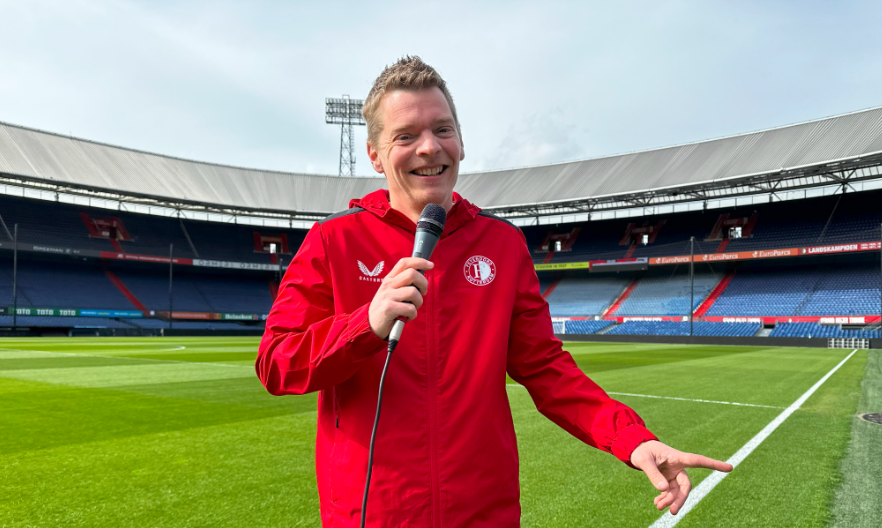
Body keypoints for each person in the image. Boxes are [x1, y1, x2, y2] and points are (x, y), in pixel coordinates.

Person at [256, 56, 732, 527]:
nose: (429, 147)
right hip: (375, 514)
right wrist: (366, 324)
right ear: (375, 155)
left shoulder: (501, 243)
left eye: (442, 129)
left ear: (461, 142)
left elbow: (546, 369)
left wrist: (631, 439)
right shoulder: (334, 240)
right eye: (405, 136)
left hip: (483, 512)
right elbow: (276, 363)